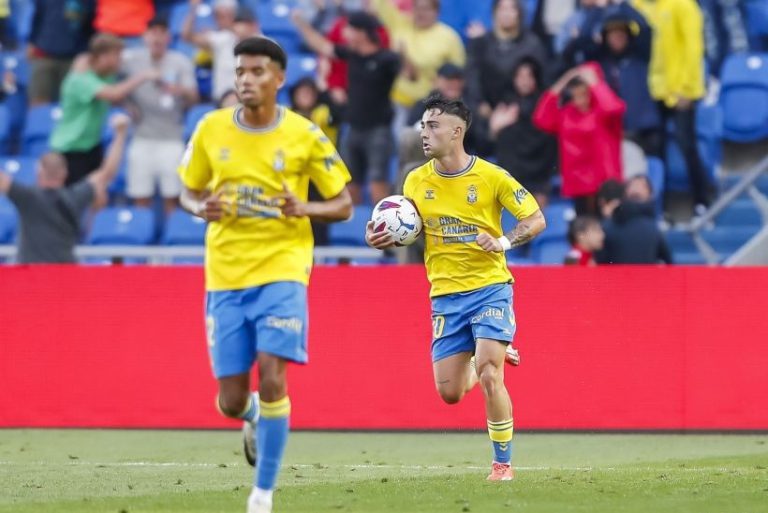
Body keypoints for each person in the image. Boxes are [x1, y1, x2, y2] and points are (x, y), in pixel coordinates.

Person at [177, 37, 353, 513]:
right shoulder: (210, 128)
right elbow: (187, 191)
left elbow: (343, 203)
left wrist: (305, 208)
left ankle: (262, 494)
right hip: (226, 274)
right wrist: (199, 207)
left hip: (283, 268)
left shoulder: (304, 134)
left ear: (279, 78)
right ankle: (251, 414)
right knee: (231, 401)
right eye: (240, 72)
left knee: (274, 374)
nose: (246, 80)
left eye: (256, 71)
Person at [366, 94, 546, 481]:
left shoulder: (492, 177)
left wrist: (503, 241)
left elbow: (535, 219)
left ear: (456, 131)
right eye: (423, 125)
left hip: (490, 287)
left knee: (491, 374)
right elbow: (407, 226)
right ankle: (485, 354)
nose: (424, 133)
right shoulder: (415, 180)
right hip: (446, 296)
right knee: (449, 392)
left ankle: (502, 465)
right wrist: (381, 235)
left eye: (433, 125)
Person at [293, 10, 400, 205]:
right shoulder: (352, 55)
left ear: (361, 32)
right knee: (350, 185)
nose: (344, 33)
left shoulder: (387, 59)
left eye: (349, 28)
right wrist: (301, 24)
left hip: (378, 131)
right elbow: (323, 46)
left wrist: (405, 56)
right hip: (352, 129)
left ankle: (384, 221)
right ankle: (354, 222)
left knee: (378, 185)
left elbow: (411, 76)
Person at [0, 113, 130, 263]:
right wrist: (120, 135)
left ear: (39, 172)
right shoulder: (75, 196)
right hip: (65, 270)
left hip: (31, 271)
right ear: (65, 174)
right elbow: (107, 173)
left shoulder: (27, 197)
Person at [49, 33, 160, 186]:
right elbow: (113, 93)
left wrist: (127, 106)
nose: (120, 60)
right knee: (75, 197)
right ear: (103, 56)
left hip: (91, 146)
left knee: (98, 191)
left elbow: (111, 96)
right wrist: (144, 76)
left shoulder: (104, 75)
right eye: (117, 55)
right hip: (71, 150)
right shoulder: (80, 79)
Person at [631, 0, 710, 214]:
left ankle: (702, 201)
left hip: (680, 91)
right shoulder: (645, 6)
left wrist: (688, 88)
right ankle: (660, 207)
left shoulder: (684, 5)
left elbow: (694, 48)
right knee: (656, 151)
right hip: (654, 91)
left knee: (687, 145)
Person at [122, 17, 199, 214]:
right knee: (140, 197)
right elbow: (108, 82)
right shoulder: (131, 59)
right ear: (144, 36)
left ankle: (170, 234)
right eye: (152, 33)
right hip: (141, 137)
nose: (156, 38)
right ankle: (142, 233)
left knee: (172, 198)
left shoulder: (180, 61)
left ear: (168, 37)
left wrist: (177, 89)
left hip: (171, 138)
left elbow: (194, 96)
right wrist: (126, 104)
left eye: (161, 33)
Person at [532, 63, 625, 215]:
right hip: (579, 185)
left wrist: (595, 83)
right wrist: (564, 80)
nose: (579, 101)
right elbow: (541, 118)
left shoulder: (604, 113)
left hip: (605, 183)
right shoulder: (567, 114)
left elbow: (612, 108)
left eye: (584, 94)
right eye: (575, 95)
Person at [370, 0, 466, 131]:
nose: (421, 13)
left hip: (431, 105)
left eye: (427, 9)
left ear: (437, 12)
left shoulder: (449, 37)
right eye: (417, 8)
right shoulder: (400, 24)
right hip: (399, 101)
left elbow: (458, 72)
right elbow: (381, 4)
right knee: (400, 139)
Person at [489, 57, 557, 207]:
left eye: (529, 76)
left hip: (539, 170)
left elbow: (549, 138)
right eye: (520, 76)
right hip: (513, 172)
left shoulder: (543, 103)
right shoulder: (506, 103)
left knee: (537, 212)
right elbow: (490, 138)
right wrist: (496, 127)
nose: (524, 81)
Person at [465, 0, 548, 118]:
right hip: (484, 111)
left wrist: (516, 111)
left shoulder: (532, 45)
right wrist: (480, 103)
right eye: (502, 9)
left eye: (512, 9)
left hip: (521, 113)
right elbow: (472, 76)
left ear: (519, 13)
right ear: (494, 13)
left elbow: (541, 83)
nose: (506, 13)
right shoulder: (482, 43)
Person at [182, 0, 260, 101]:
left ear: (253, 25)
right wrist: (193, 9)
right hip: (224, 100)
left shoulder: (265, 45)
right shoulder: (223, 39)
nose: (239, 27)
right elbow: (187, 36)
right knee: (232, 100)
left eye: (242, 23)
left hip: (255, 100)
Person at [27, 0, 96, 105]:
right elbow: (37, 18)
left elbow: (92, 25)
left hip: (74, 59)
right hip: (44, 55)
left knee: (71, 102)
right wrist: (32, 43)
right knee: (38, 100)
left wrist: (87, 54)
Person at [597, 174, 672, 264]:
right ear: (625, 192)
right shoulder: (609, 224)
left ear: (650, 194)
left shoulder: (654, 226)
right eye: (633, 185)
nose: (636, 189)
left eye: (642, 186)